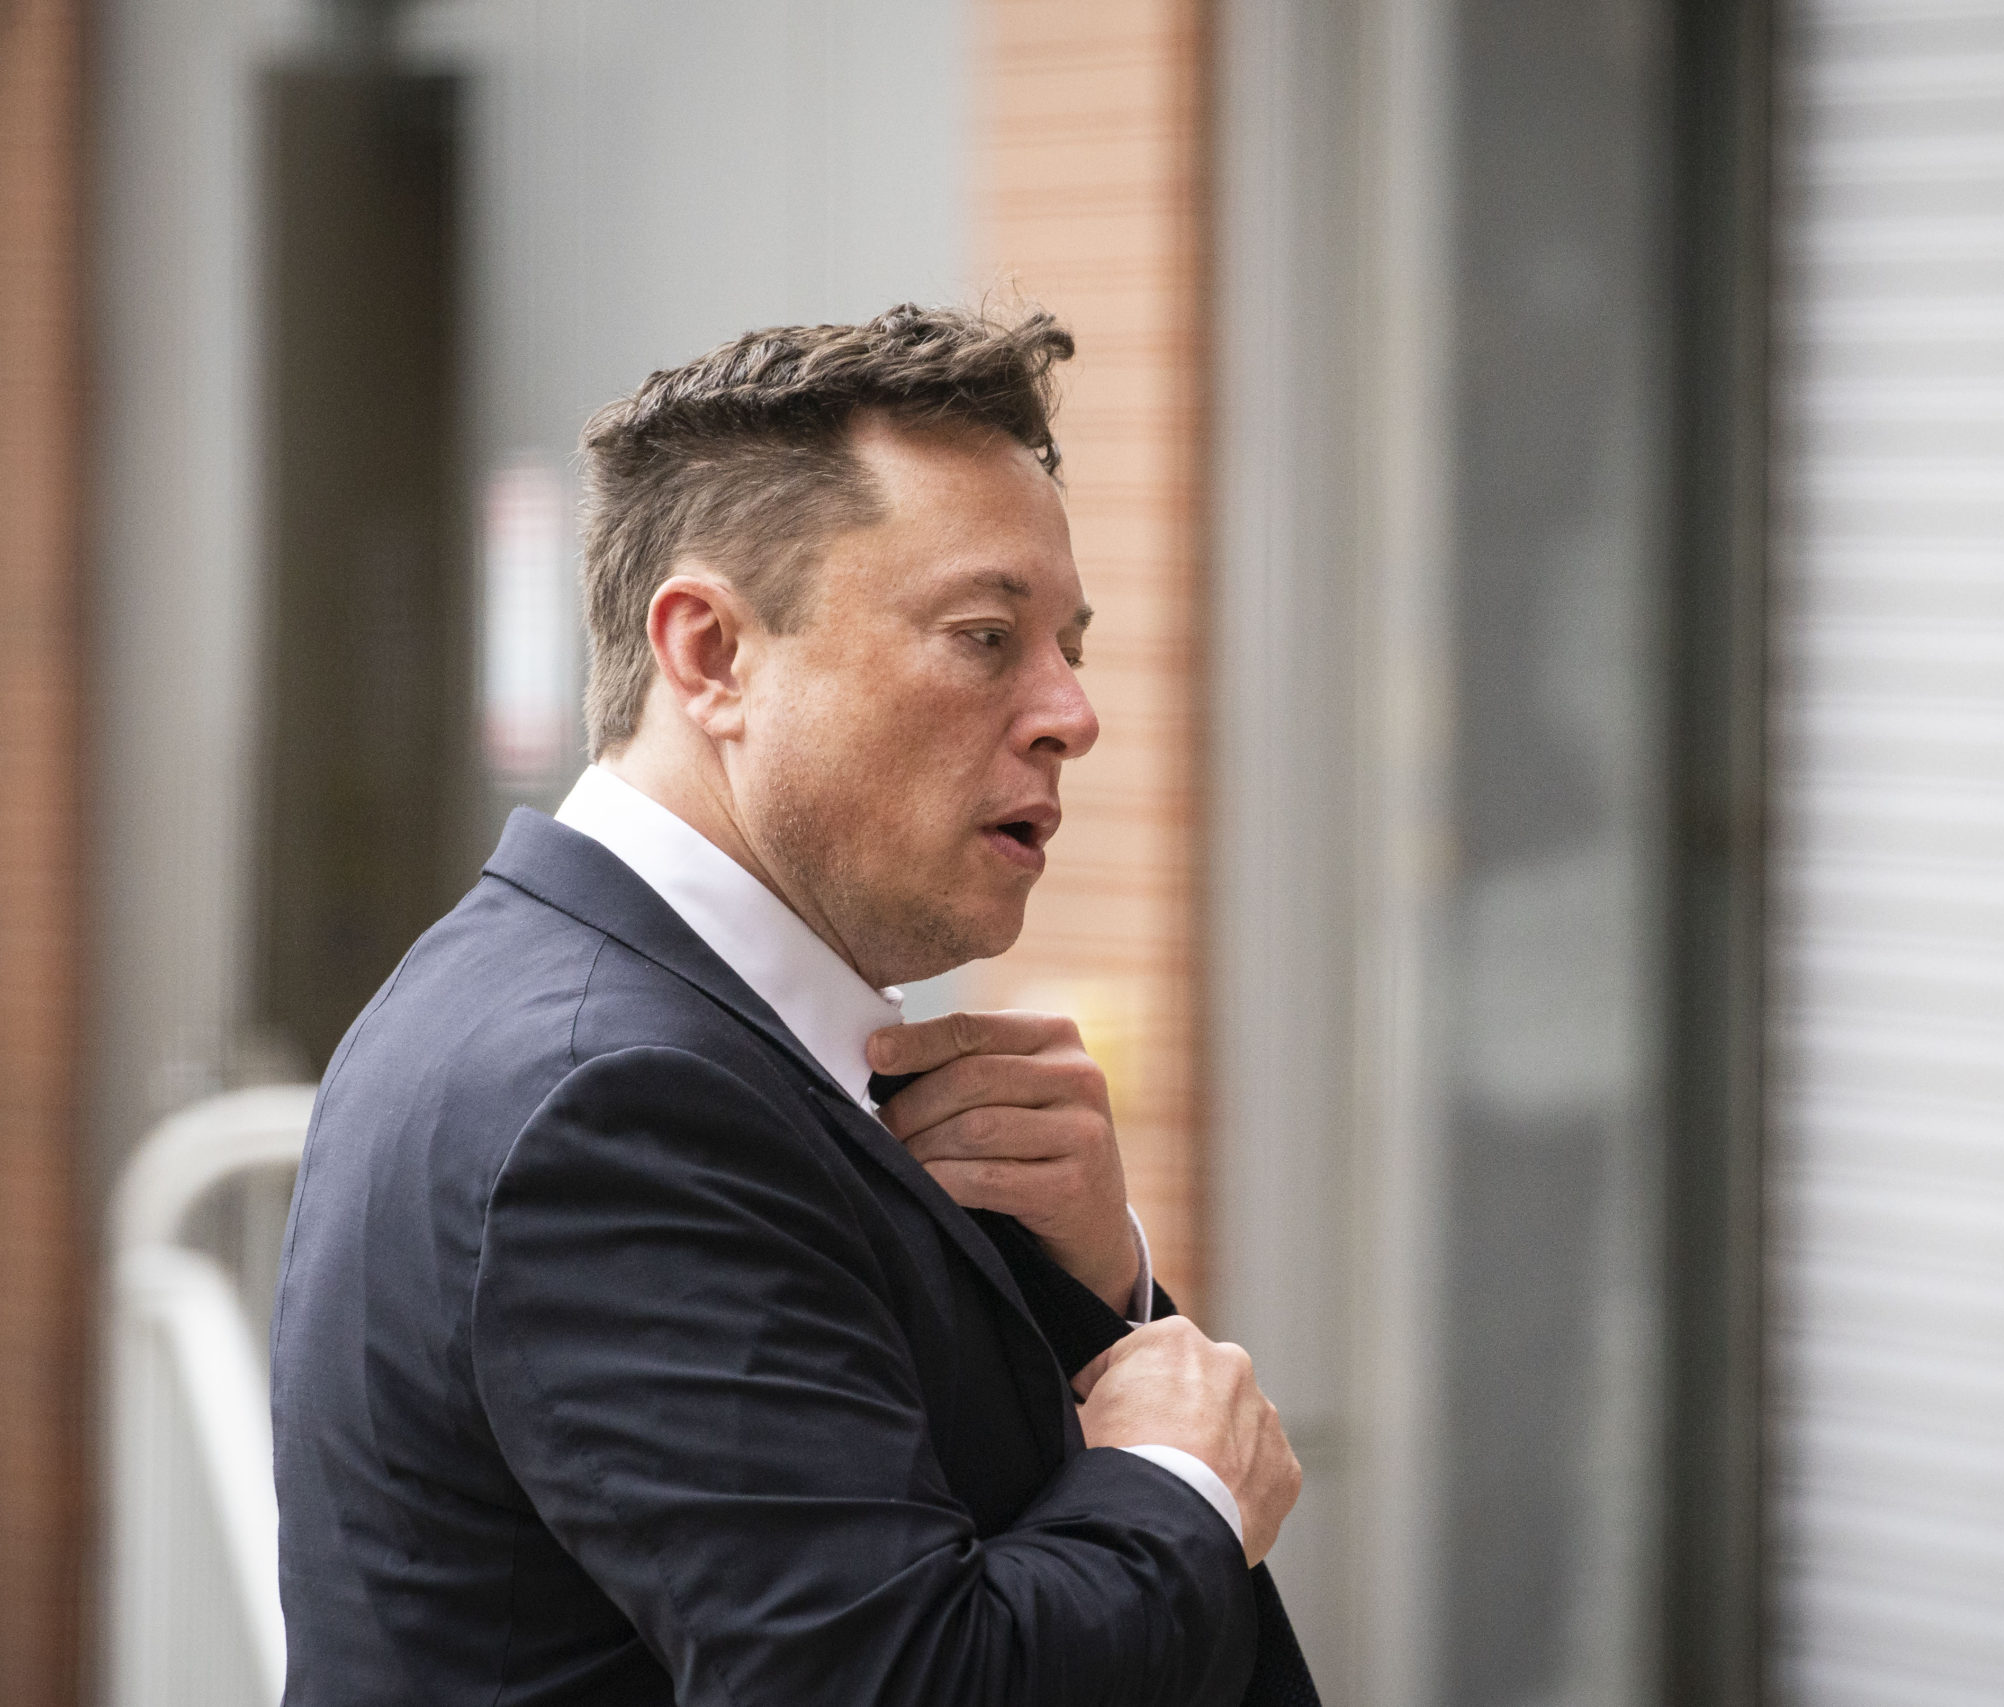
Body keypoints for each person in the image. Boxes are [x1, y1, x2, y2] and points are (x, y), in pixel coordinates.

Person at [270, 305, 1310, 1705]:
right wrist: (1183, 1483)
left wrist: (1088, 1296)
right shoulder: (613, 1099)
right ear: (710, 656)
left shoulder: (632, 1025)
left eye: (1069, 643)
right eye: (986, 636)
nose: (1073, 711)